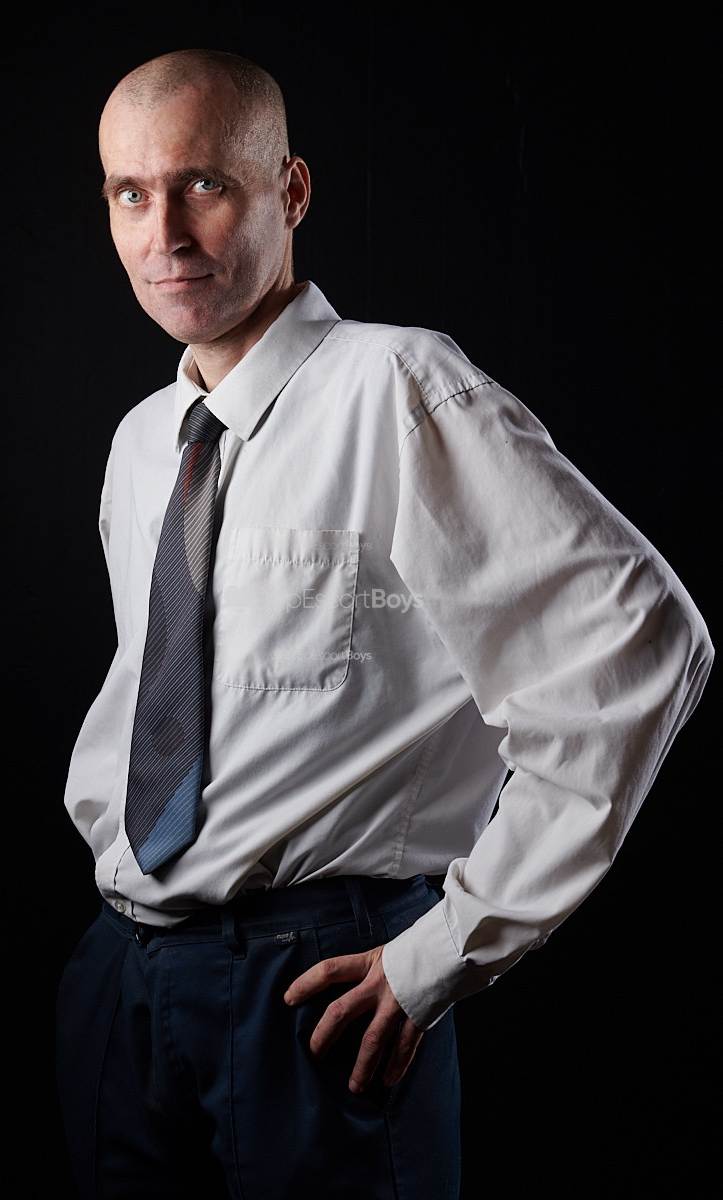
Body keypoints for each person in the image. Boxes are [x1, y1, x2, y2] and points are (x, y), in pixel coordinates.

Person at [57, 48, 712, 1199]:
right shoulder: (142, 442)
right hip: (122, 981)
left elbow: (639, 644)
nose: (166, 234)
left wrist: (441, 953)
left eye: (203, 184)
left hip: (311, 992)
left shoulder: (398, 388)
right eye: (130, 193)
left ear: (290, 190)